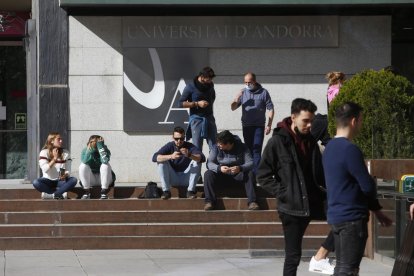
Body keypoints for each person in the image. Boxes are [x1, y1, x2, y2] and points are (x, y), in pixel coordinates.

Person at [257, 98, 327, 276]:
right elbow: (263, 176)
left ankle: (320, 257)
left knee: (347, 221)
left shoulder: (311, 141)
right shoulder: (277, 142)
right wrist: (285, 193)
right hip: (291, 207)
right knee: (293, 256)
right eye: (305, 121)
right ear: (293, 117)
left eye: (312, 121)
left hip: (314, 200)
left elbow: (319, 172)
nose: (310, 125)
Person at [323, 102, 392, 275]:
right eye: (361, 120)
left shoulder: (329, 148)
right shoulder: (350, 149)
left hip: (336, 216)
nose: (361, 125)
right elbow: (367, 186)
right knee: (348, 270)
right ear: (354, 121)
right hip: (352, 218)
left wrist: (377, 211)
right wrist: (375, 207)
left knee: (342, 267)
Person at [204, 130, 259, 211]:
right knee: (208, 174)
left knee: (250, 174)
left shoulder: (242, 147)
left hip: (237, 176)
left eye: (221, 143)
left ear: (229, 143)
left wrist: (240, 168)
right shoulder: (216, 147)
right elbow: (209, 163)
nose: (218, 145)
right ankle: (209, 202)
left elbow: (250, 162)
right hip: (222, 176)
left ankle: (252, 202)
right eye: (218, 143)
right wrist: (219, 168)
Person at [231, 72, 274, 175]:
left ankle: (255, 174)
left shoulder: (263, 92)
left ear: (254, 81)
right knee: (248, 149)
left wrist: (269, 125)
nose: (247, 84)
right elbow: (233, 108)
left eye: (249, 82)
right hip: (246, 125)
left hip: (259, 125)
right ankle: (249, 173)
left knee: (256, 149)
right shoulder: (243, 92)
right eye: (245, 82)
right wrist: (236, 98)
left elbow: (271, 109)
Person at [152, 126, 206, 199]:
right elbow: (155, 157)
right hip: (173, 178)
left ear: (184, 137)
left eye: (181, 139)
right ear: (173, 137)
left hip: (187, 178)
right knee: (161, 162)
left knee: (197, 161)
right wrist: (171, 156)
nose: (179, 141)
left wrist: (189, 155)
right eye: (176, 139)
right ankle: (166, 191)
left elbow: (202, 158)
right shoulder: (170, 145)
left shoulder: (189, 146)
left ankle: (190, 191)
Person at [179, 66, 217, 153]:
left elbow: (213, 96)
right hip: (196, 119)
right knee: (197, 148)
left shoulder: (211, 85)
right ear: (202, 77)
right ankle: (196, 166)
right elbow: (180, 103)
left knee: (214, 147)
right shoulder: (190, 87)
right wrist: (196, 103)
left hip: (210, 118)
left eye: (211, 78)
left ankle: (213, 166)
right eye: (209, 78)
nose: (210, 80)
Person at [32, 132, 77, 199]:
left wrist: (66, 174)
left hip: (60, 181)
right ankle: (59, 194)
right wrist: (54, 159)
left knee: (73, 180)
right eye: (58, 139)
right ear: (52, 141)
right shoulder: (44, 152)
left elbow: (68, 170)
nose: (61, 141)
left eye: (61, 139)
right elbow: (45, 169)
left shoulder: (66, 152)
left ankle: (53, 195)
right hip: (47, 180)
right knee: (36, 182)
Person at [79, 135, 116, 200]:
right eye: (92, 142)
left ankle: (104, 192)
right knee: (82, 165)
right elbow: (85, 161)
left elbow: (105, 160)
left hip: (104, 179)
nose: (94, 143)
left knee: (105, 165)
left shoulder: (105, 150)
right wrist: (89, 150)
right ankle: (87, 192)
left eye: (97, 142)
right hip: (91, 179)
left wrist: (100, 146)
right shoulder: (85, 150)